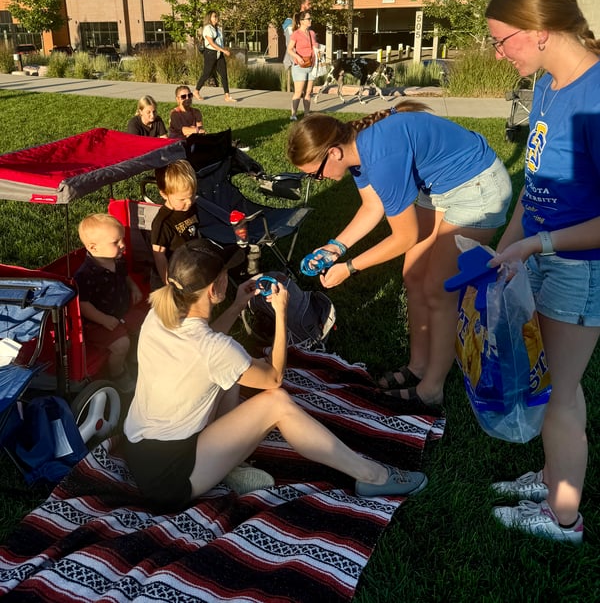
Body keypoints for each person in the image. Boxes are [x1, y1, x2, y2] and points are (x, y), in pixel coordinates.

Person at [123, 238, 428, 510]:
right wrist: (281, 314)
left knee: (234, 371)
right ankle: (371, 476)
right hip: (171, 480)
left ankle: (228, 465)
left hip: (141, 453)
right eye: (225, 273)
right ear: (215, 288)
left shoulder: (158, 314)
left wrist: (239, 304)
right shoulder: (214, 348)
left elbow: (205, 350)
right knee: (276, 402)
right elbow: (273, 378)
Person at [287, 102, 512, 409]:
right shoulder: (356, 149)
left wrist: (349, 267)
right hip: (441, 189)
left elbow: (405, 237)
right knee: (413, 275)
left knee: (438, 289)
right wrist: (335, 247)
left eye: (316, 174)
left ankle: (432, 389)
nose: (319, 180)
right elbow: (371, 208)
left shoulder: (379, 157)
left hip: (478, 189)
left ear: (333, 153)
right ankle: (418, 366)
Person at [485, 0, 600, 544]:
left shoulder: (596, 96)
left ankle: (564, 518)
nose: (498, 52)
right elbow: (533, 188)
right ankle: (556, 476)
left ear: (540, 30)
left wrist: (538, 245)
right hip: (542, 254)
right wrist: (505, 251)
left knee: (561, 390)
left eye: (501, 39)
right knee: (557, 382)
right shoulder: (549, 85)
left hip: (580, 271)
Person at [75, 213, 145, 393]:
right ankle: (117, 373)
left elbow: (125, 276)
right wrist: (103, 319)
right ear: (93, 247)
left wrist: (134, 287)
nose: (123, 245)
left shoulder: (117, 259)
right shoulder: (86, 275)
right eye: (116, 242)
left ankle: (136, 357)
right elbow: (83, 304)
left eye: (122, 239)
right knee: (121, 344)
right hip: (97, 323)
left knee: (146, 323)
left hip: (121, 311)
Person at [150, 159, 201, 288]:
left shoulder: (190, 207)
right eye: (182, 199)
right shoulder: (163, 222)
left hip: (188, 264)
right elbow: (159, 255)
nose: (189, 202)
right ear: (164, 194)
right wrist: (168, 282)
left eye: (192, 195)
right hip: (172, 273)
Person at [194, 10, 237, 104]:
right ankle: (196, 91)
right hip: (210, 53)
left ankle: (227, 96)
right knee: (206, 73)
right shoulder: (207, 28)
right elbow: (211, 43)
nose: (216, 18)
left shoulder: (218, 28)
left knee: (224, 74)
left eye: (217, 16)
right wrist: (223, 51)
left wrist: (223, 49)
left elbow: (219, 42)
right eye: (214, 16)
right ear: (209, 18)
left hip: (219, 53)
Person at [287, 10, 319, 121]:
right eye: (308, 19)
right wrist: (298, 57)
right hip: (300, 66)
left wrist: (318, 50)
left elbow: (315, 47)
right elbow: (289, 49)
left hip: (311, 65)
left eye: (310, 18)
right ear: (301, 21)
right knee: (298, 92)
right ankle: (293, 115)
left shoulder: (312, 33)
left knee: (308, 92)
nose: (310, 20)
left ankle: (306, 114)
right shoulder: (296, 34)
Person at [282, 0, 311, 71]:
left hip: (305, 61)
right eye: (308, 4)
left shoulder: (307, 21)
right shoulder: (290, 23)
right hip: (296, 62)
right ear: (302, 5)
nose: (310, 6)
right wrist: (297, 60)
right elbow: (290, 45)